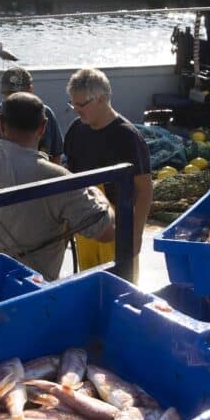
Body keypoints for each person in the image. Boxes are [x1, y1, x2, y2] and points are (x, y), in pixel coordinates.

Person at [0, 92, 114, 281]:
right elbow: (106, 232)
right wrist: (99, 196)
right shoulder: (60, 180)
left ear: (1, 123)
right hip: (31, 294)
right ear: (43, 127)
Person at [63, 68, 152, 281]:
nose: (76, 110)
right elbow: (71, 178)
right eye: (72, 104)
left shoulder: (128, 137)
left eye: (81, 105)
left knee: (120, 286)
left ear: (102, 99)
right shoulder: (76, 130)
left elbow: (145, 189)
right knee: (88, 284)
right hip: (85, 224)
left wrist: (135, 234)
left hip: (118, 227)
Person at [0, 66, 64, 164]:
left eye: (20, 94)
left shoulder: (46, 114)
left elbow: (56, 155)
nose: (15, 99)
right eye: (10, 94)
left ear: (31, 90)